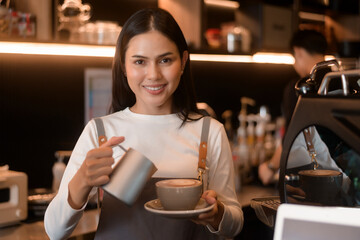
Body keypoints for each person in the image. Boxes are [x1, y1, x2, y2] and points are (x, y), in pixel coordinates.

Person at [44, 8, 243, 240]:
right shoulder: (100, 132)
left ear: (183, 61)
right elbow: (54, 231)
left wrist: (217, 214)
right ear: (123, 66)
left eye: (165, 60)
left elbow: (235, 224)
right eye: (139, 62)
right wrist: (82, 182)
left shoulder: (210, 132)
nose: (153, 75)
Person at [258, 29, 328, 185]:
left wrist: (270, 167)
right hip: (340, 174)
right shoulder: (339, 81)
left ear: (298, 52)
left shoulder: (299, 88)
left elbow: (291, 135)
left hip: (309, 178)